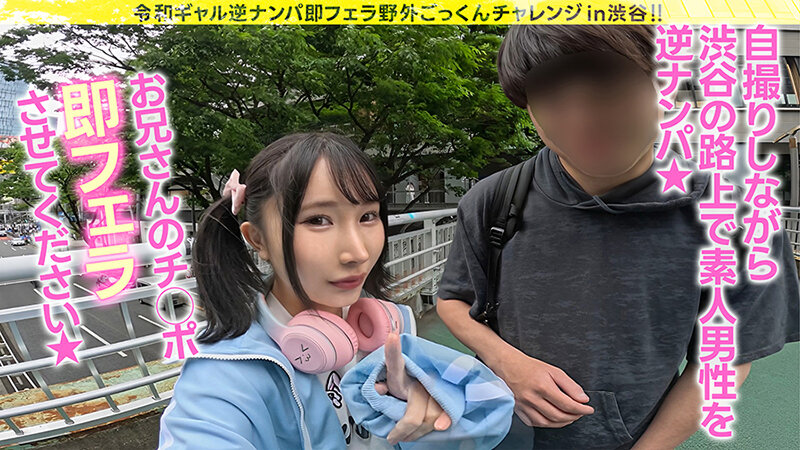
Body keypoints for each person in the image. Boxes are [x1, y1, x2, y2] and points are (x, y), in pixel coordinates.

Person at [436, 24, 800, 449]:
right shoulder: (493, 200)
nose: (583, 120)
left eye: (609, 88)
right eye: (552, 98)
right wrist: (506, 362)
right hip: (496, 434)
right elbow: (453, 299)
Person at [158, 132, 514, 449]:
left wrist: (430, 421)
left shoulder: (386, 330)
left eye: (367, 216)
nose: (358, 253)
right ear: (258, 239)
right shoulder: (224, 376)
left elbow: (489, 418)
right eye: (318, 220)